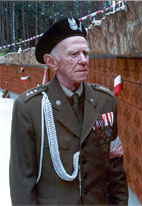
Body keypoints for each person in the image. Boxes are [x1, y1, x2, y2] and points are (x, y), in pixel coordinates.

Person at [9, 17, 128, 205]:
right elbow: (22, 182)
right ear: (51, 62)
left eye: (86, 53)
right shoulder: (30, 108)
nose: (83, 61)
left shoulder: (104, 101)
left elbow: (115, 171)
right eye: (74, 54)